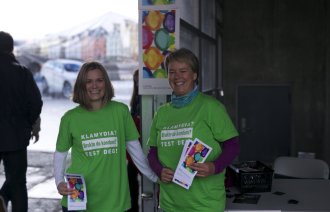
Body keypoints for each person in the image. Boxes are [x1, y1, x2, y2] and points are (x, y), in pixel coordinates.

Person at [53, 61, 158, 212]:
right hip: (79, 201)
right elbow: (60, 154)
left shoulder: (120, 112)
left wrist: (155, 177)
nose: (94, 86)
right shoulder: (70, 118)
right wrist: (59, 182)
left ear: (106, 83)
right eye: (88, 81)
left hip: (115, 202)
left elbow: (136, 152)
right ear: (81, 85)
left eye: (99, 80)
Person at [147, 48, 240, 212]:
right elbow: (152, 152)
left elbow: (233, 146)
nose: (177, 77)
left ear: (194, 75)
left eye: (183, 71)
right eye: (172, 72)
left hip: (204, 205)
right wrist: (159, 170)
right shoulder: (162, 112)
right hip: (170, 204)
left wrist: (214, 167)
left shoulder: (211, 107)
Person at [0, 31, 43, 212]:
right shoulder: (22, 72)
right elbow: (35, 103)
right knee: (18, 185)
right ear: (11, 49)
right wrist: (27, 124)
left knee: (15, 182)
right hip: (16, 138)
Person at [127, 69, 141, 212]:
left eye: (139, 81)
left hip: (142, 141)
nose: (137, 83)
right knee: (130, 175)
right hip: (136, 141)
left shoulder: (145, 98)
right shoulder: (136, 98)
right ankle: (133, 207)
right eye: (136, 81)